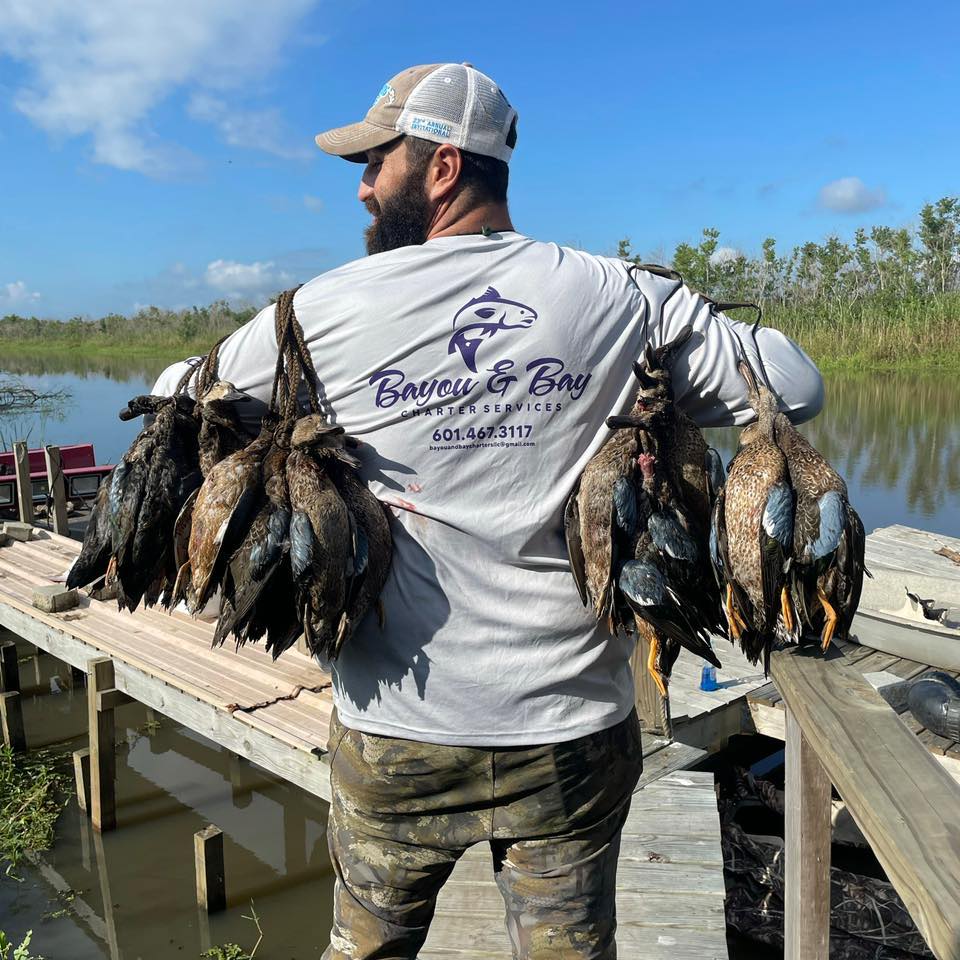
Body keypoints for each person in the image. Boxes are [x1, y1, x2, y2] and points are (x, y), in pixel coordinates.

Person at [153, 62, 823, 959]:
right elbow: (794, 387)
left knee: (367, 949)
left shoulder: (316, 313)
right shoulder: (617, 295)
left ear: (439, 167)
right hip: (570, 734)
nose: (360, 187)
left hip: (397, 736)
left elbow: (172, 396)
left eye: (375, 162)